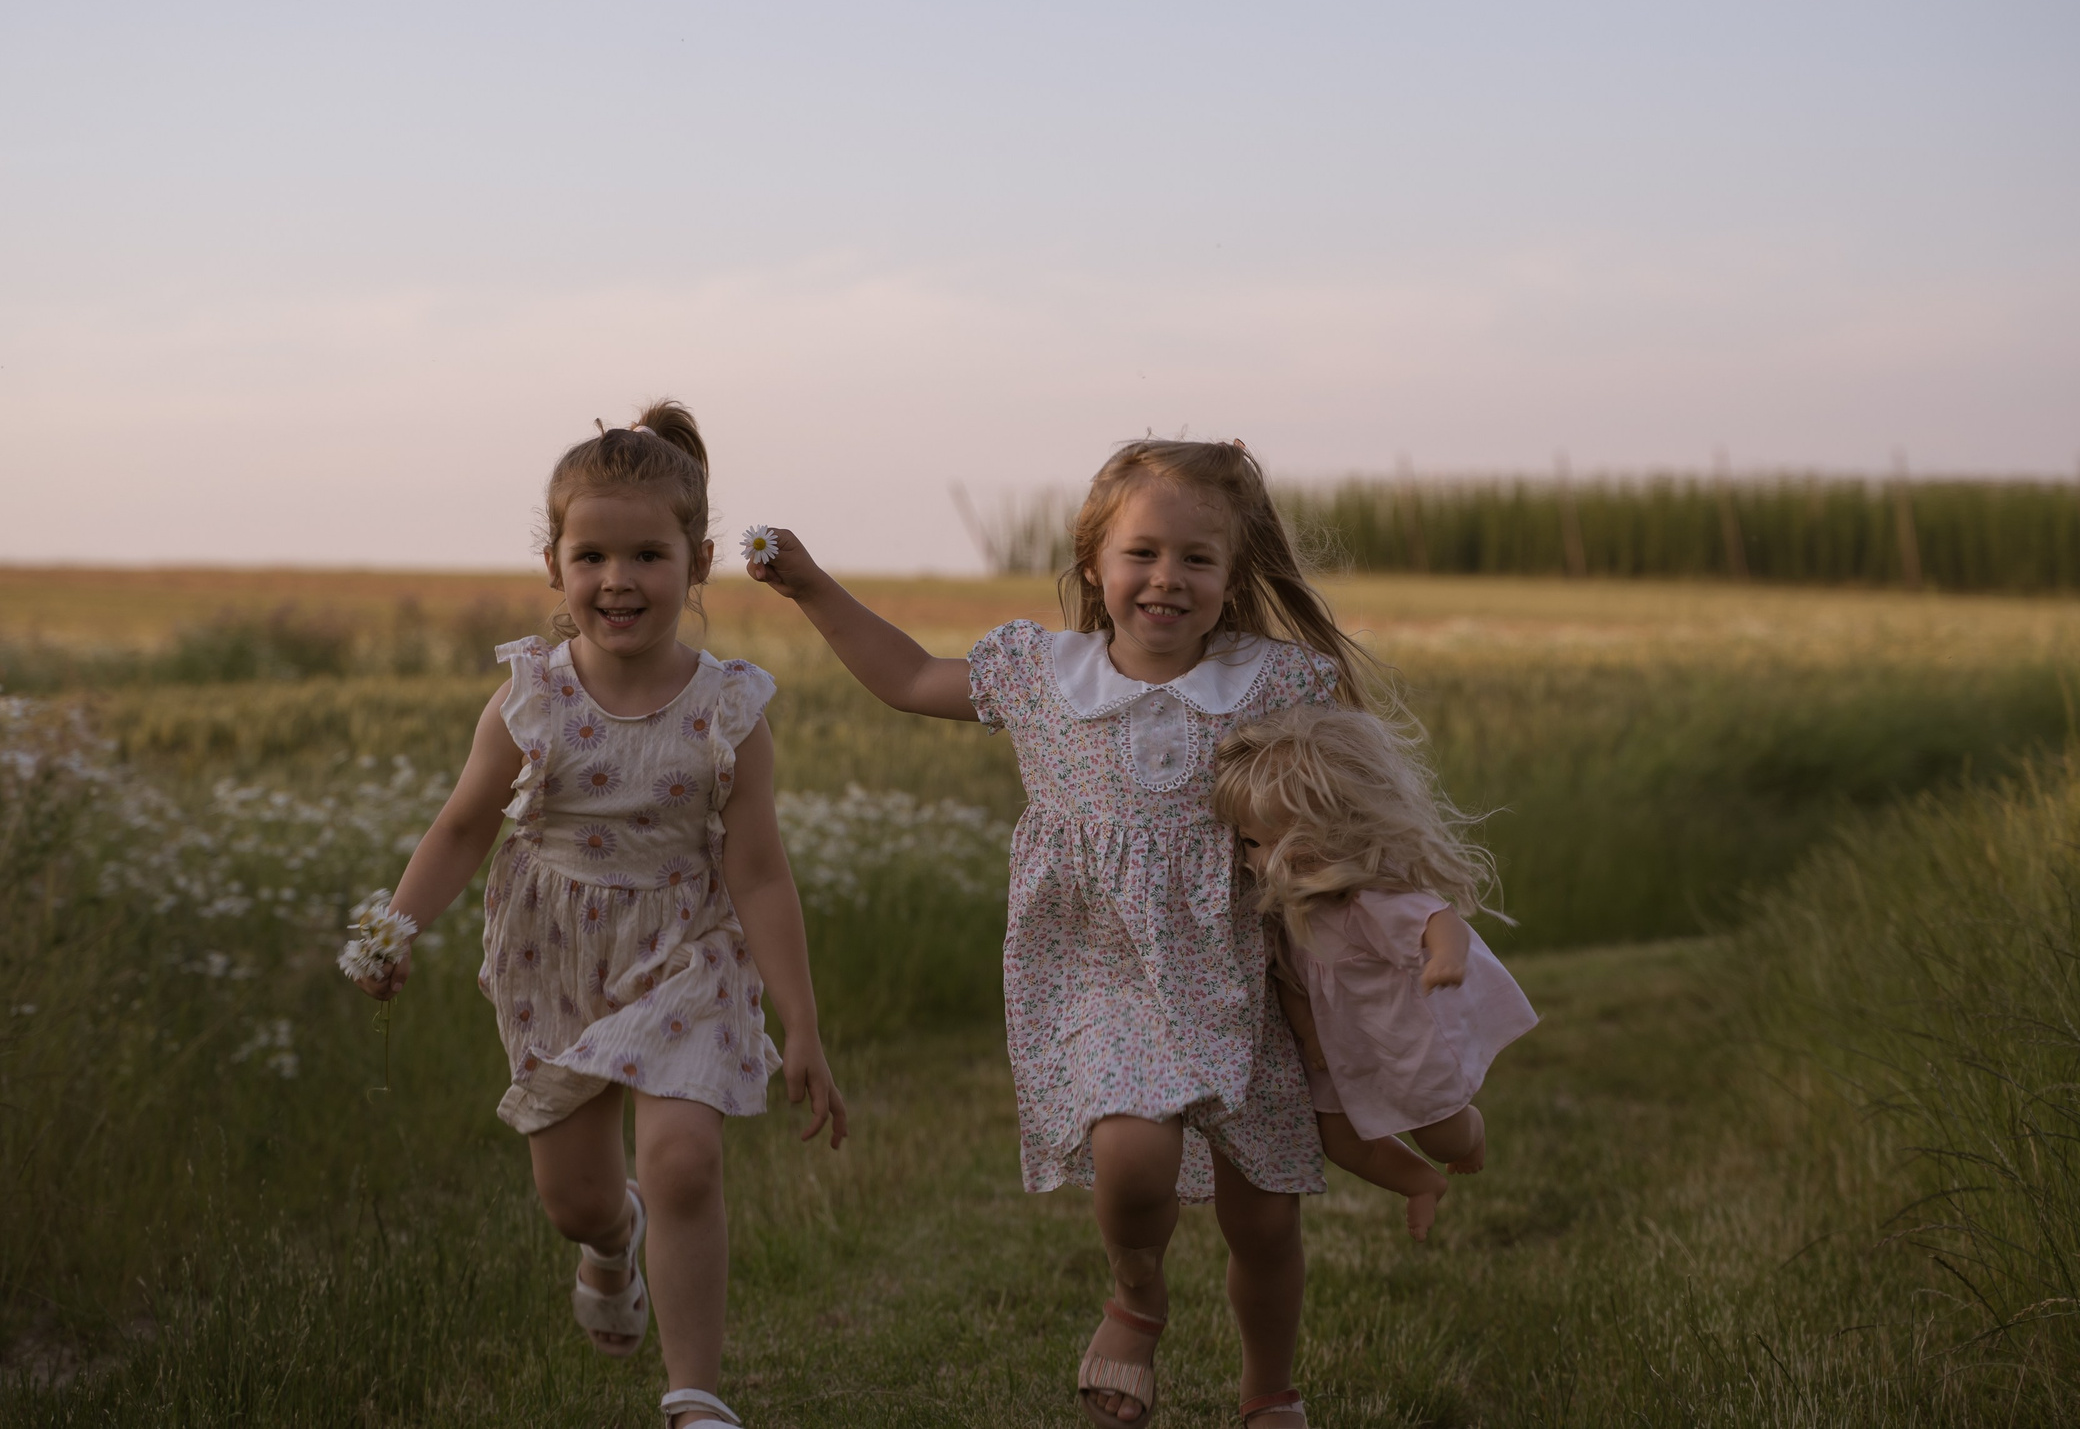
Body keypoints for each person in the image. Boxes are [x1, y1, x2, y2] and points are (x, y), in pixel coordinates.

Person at [747, 437, 1363, 1429]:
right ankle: (1137, 1296)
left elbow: (1351, 807)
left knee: (1264, 1221)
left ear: (1233, 576)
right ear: (1093, 564)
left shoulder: (1272, 685)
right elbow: (906, 678)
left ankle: (1268, 1392)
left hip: (1236, 976)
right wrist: (813, 586)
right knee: (1130, 1153)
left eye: (1197, 561)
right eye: (1142, 554)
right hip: (1098, 971)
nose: (1166, 579)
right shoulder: (1043, 676)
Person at [346, 401, 846, 1429]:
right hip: (553, 951)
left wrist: (798, 1021)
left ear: (697, 560)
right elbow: (459, 828)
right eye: (592, 555)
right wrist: (393, 929)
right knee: (576, 1197)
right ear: (555, 564)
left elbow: (757, 872)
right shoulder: (528, 698)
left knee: (681, 1160)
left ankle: (694, 1396)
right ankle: (611, 1241)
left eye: (648, 555)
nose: (618, 580)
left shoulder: (729, 707)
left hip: (686, 951)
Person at [1214, 703, 1536, 1243]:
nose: (1266, 861)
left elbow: (1439, 919)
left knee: (1442, 1134)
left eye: (1287, 841)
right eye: (1251, 842)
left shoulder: (1367, 897)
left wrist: (1446, 958)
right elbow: (1288, 979)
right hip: (1341, 1050)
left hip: (1398, 1038)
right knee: (1339, 1141)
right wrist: (1310, 1033)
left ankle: (1469, 1134)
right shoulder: (1286, 907)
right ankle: (1418, 1183)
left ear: (1344, 824)